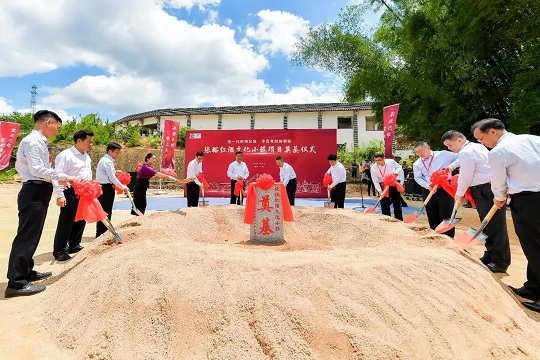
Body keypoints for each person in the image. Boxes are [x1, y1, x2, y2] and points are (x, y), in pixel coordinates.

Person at [5, 110, 76, 298]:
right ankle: (16, 282)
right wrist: (63, 176)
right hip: (33, 191)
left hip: (38, 190)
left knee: (33, 234)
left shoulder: (39, 142)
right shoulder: (34, 141)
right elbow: (37, 169)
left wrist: (56, 180)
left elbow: (41, 171)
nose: (57, 131)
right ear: (49, 122)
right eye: (57, 127)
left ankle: (26, 271)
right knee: (27, 236)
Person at [471, 118, 540, 312]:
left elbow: (498, 181)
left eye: (481, 138)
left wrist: (499, 197)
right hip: (533, 196)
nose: (481, 143)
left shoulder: (499, 151)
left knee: (534, 245)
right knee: (533, 245)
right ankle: (533, 286)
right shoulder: (533, 139)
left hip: (528, 201)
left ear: (493, 132)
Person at [442, 130, 510, 273]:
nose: (449, 148)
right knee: (487, 224)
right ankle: (490, 254)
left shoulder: (466, 152)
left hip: (485, 189)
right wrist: (452, 166)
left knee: (495, 225)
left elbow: (465, 176)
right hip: (485, 188)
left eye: (450, 145)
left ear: (459, 140)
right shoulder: (475, 147)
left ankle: (500, 261)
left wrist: (459, 194)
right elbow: (461, 163)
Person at [52, 129, 94, 262]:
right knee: (67, 220)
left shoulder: (86, 156)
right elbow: (56, 175)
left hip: (84, 191)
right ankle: (60, 250)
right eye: (89, 142)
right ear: (79, 140)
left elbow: (88, 173)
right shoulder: (66, 155)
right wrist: (59, 194)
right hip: (69, 190)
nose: (91, 145)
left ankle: (74, 244)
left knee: (81, 218)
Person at [413, 141, 459, 237]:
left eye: (421, 150)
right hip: (429, 189)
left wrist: (452, 166)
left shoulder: (443, 154)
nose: (420, 154)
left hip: (444, 187)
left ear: (428, 148)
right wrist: (427, 185)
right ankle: (435, 235)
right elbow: (417, 177)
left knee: (446, 212)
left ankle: (448, 237)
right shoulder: (417, 163)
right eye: (417, 152)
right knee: (431, 212)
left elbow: (460, 157)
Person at [95, 142, 129, 238]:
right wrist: (123, 187)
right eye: (116, 153)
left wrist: (115, 171)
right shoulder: (107, 161)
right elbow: (112, 178)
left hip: (104, 187)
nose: (117, 155)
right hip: (106, 188)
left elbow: (109, 174)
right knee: (105, 211)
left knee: (106, 211)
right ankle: (102, 234)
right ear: (110, 151)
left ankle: (104, 233)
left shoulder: (106, 160)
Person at [370, 152, 404, 220]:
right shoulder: (373, 168)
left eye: (379, 160)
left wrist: (395, 173)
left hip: (393, 184)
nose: (377, 162)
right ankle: (386, 219)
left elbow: (399, 167)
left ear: (384, 158)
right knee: (384, 204)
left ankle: (399, 220)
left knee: (396, 203)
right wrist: (380, 191)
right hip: (383, 185)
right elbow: (375, 181)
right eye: (375, 160)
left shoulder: (390, 162)